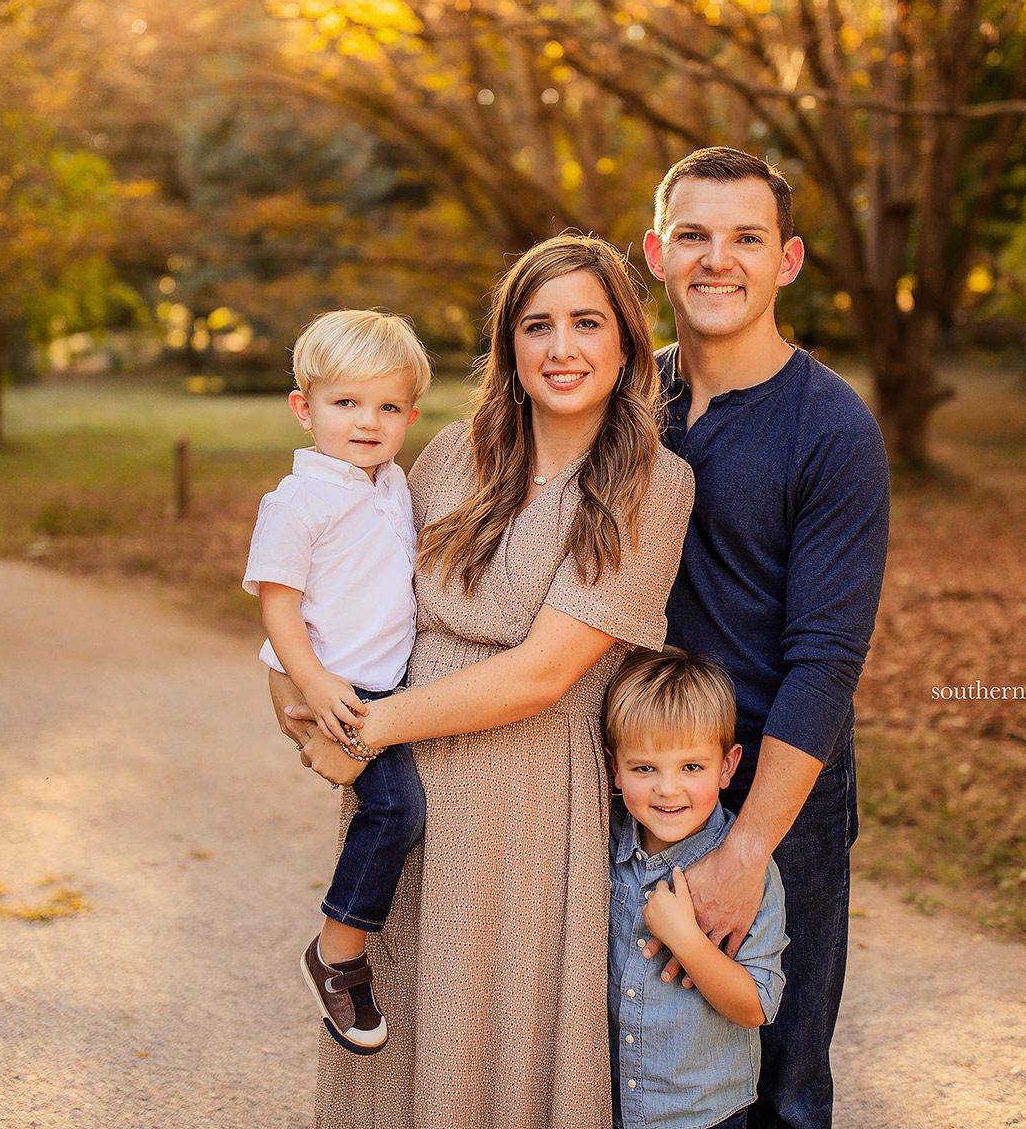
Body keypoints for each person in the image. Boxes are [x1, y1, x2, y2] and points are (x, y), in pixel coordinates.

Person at [274, 234, 695, 1128]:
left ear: (627, 339)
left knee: (488, 1043)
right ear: (509, 346)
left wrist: (363, 730)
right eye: (537, 326)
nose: (561, 348)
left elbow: (543, 675)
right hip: (397, 790)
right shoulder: (450, 454)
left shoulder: (652, 484)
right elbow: (336, 585)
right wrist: (296, 699)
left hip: (524, 803)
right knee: (392, 1035)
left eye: (587, 323)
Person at [641, 147, 891, 1129]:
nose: (718, 259)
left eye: (746, 237)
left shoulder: (831, 428)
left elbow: (826, 661)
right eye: (694, 236)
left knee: (779, 1080)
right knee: (643, 1060)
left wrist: (746, 850)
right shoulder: (627, 402)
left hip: (779, 794)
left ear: (786, 261)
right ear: (657, 253)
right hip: (641, 777)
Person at [243, 309, 432, 1056]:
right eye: (346, 402)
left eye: (388, 406)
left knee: (399, 808)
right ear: (304, 408)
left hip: (381, 683)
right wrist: (313, 682)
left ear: (409, 417)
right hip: (334, 684)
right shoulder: (298, 501)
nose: (367, 421)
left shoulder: (392, 483)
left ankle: (345, 944)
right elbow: (278, 604)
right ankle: (337, 953)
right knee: (395, 811)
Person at [604, 647, 788, 1129]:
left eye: (691, 767)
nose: (668, 789)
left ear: (727, 766)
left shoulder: (747, 872)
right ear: (615, 767)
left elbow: (756, 1006)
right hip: (608, 1103)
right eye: (645, 768)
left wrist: (687, 941)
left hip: (702, 1112)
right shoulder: (601, 840)